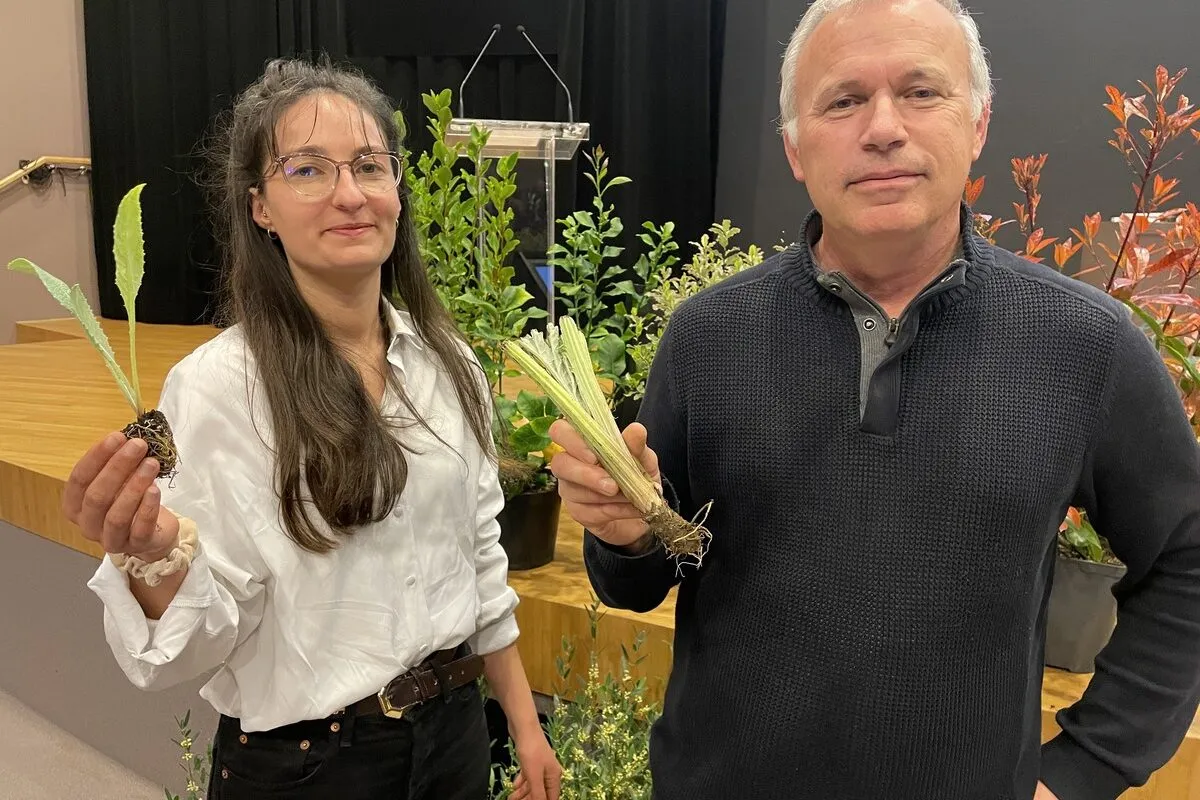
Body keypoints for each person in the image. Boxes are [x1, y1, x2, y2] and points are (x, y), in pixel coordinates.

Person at [549, 1, 1200, 798]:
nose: (884, 128)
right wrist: (624, 536)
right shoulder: (708, 336)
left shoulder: (1085, 346)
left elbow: (1186, 556)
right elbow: (640, 582)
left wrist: (1084, 770)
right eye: (844, 100)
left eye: (922, 92)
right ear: (794, 147)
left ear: (978, 124)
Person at [65, 58, 560, 800]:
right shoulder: (221, 387)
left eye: (369, 165)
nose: (350, 194)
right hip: (311, 767)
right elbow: (200, 640)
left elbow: (479, 561)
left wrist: (525, 726)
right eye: (307, 170)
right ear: (260, 206)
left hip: (454, 739)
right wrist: (156, 560)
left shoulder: (446, 362)